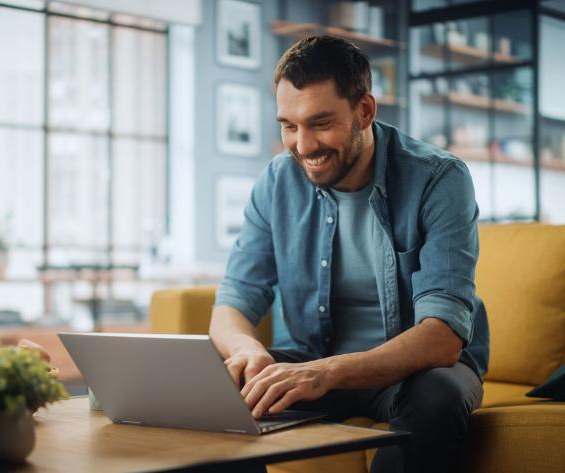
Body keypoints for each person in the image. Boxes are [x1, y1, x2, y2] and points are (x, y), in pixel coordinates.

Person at [209, 35, 489, 473]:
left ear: (365, 111)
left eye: (320, 123)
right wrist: (248, 351)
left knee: (439, 398)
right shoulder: (277, 182)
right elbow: (232, 303)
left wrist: (325, 373)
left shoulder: (439, 179)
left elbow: (443, 335)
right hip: (314, 359)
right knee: (212, 392)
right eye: (288, 125)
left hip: (415, 371)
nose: (302, 146)